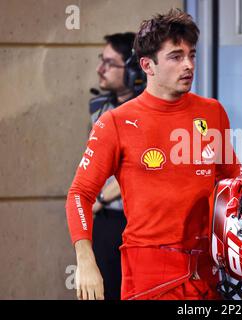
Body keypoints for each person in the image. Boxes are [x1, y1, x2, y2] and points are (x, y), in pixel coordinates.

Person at [66, 9, 242, 300]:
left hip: (206, 273)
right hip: (148, 279)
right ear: (147, 65)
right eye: (176, 56)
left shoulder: (212, 112)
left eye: (192, 55)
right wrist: (85, 259)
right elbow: (79, 194)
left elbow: (230, 173)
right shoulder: (115, 122)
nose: (188, 65)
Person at [87, 32, 145, 300]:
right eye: (102, 60)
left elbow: (141, 166)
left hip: (138, 222)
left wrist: (99, 199)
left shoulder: (150, 110)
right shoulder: (100, 109)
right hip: (107, 222)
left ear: (133, 70)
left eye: (110, 63)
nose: (101, 68)